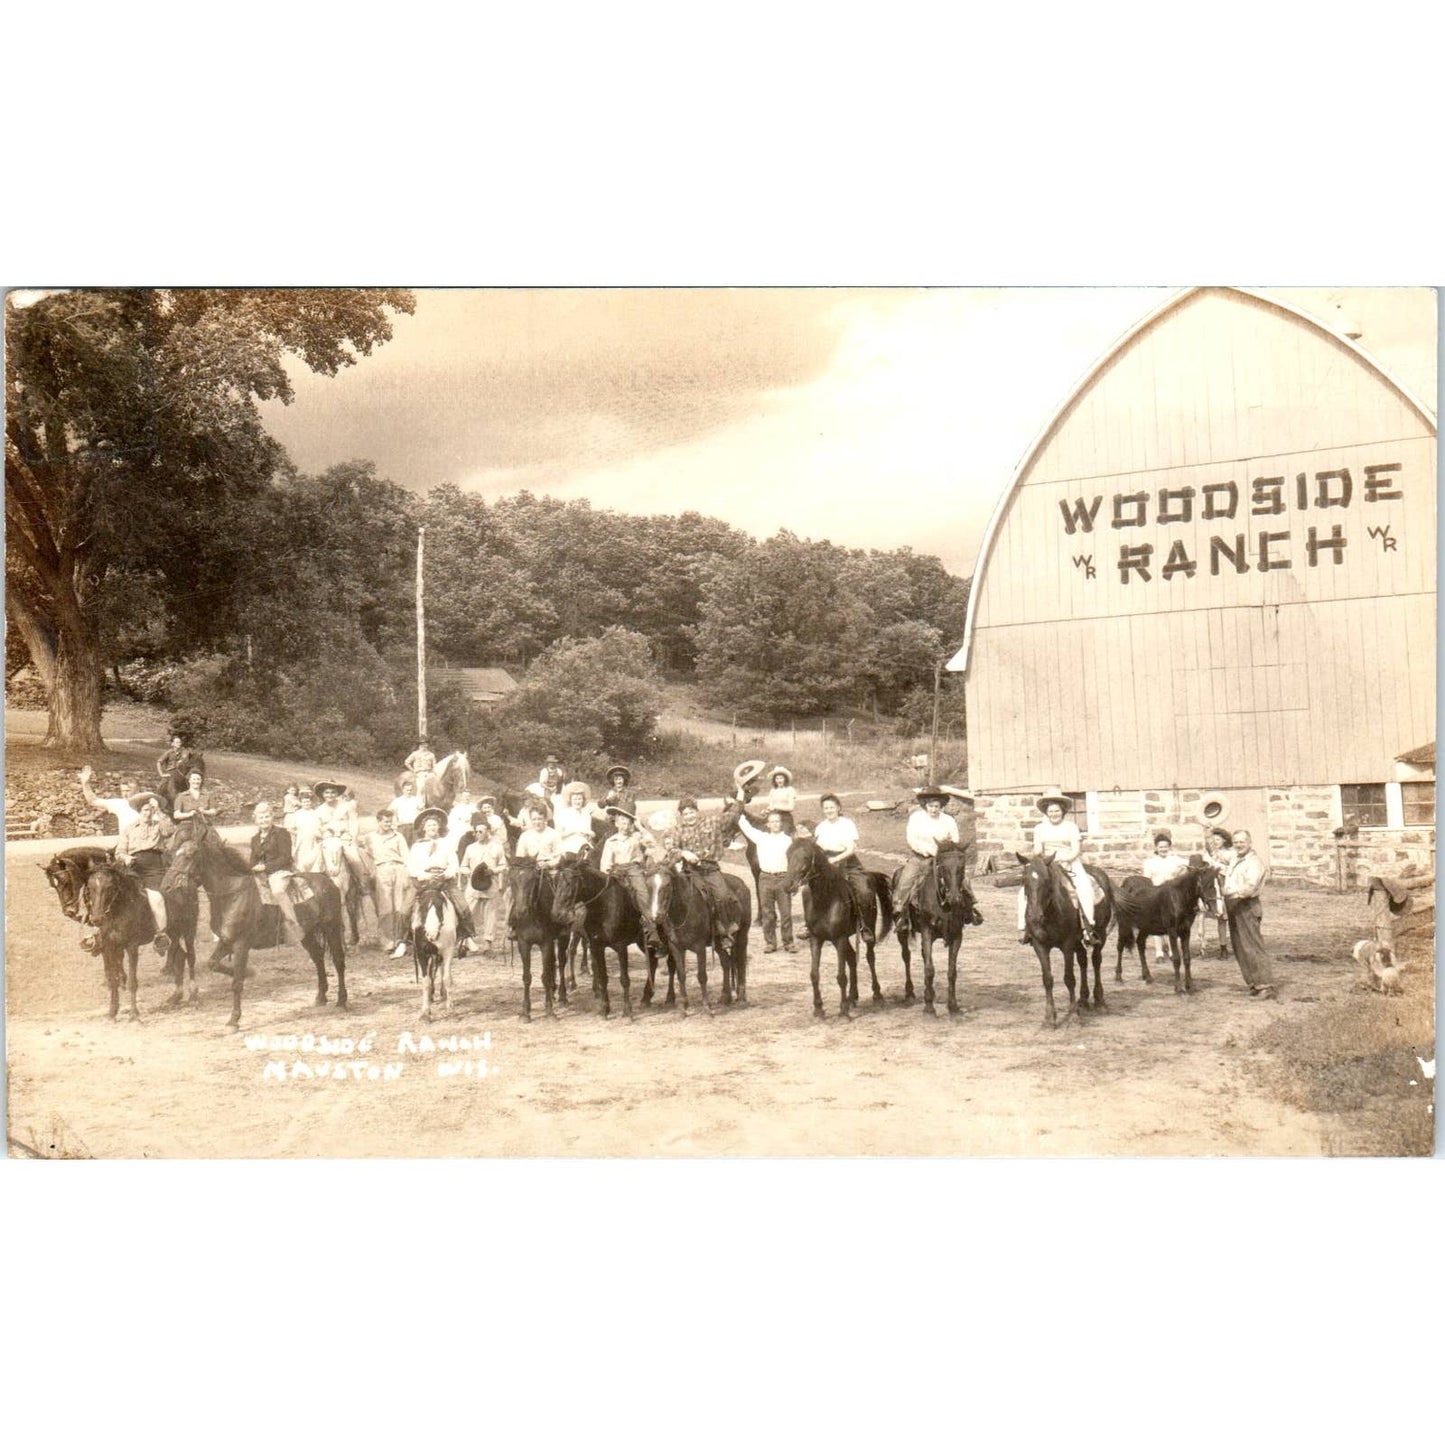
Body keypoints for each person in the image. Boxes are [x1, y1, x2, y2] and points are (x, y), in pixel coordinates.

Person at [1017, 793, 1097, 946]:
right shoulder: (1039, 828)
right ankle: (1026, 927)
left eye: (1057, 811)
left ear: (1063, 811)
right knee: (1025, 891)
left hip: (1069, 861)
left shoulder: (1071, 827)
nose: (1054, 814)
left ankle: (1088, 927)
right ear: (1046, 813)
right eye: (1051, 811)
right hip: (1047, 863)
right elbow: (1038, 849)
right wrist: (1036, 860)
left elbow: (1075, 850)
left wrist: (1065, 859)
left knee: (1084, 888)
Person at [660, 797, 743, 941]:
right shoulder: (677, 830)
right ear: (681, 816)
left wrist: (740, 798)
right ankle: (672, 933)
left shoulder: (712, 822)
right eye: (685, 814)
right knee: (673, 896)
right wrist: (684, 853)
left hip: (710, 870)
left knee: (722, 896)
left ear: (697, 811)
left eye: (691, 812)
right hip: (689, 872)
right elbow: (671, 849)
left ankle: (724, 930)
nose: (689, 816)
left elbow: (732, 817)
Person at [732, 789, 796, 953]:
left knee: (786, 913)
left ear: (781, 824)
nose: (775, 824)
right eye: (772, 821)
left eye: (777, 821)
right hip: (765, 878)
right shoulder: (760, 837)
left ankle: (788, 942)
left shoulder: (788, 840)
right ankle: (770, 943)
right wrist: (740, 796)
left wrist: (792, 881)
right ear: (767, 824)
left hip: (782, 878)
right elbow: (741, 819)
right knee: (768, 913)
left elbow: (794, 862)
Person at [1219, 829, 1278, 999]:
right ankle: (1254, 983)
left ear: (1250, 843)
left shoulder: (1254, 863)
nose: (1238, 845)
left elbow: (1250, 888)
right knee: (1240, 947)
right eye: (1236, 842)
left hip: (1247, 905)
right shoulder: (1235, 859)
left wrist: (1228, 892)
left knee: (1252, 946)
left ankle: (1265, 986)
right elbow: (1217, 855)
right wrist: (1208, 832)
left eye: (1242, 842)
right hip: (1234, 906)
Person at [406, 807, 475, 947]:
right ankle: (403, 940)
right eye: (429, 825)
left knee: (462, 905)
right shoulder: (417, 846)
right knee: (405, 908)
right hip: (423, 880)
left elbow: (453, 863)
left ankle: (466, 936)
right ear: (423, 828)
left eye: (434, 824)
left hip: (444, 880)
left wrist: (446, 874)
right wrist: (424, 875)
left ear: (439, 827)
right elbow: (411, 866)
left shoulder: (446, 843)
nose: (432, 827)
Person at [597, 806, 663, 950]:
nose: (625, 827)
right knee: (608, 894)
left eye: (628, 824)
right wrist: (607, 873)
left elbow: (652, 843)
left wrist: (640, 827)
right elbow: (605, 861)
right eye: (622, 823)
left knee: (642, 894)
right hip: (616, 870)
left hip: (633, 869)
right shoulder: (611, 841)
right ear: (616, 824)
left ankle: (652, 929)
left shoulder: (636, 838)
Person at [893, 787, 963, 923]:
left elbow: (955, 839)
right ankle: (900, 911)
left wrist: (946, 849)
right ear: (925, 805)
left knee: (960, 879)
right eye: (931, 806)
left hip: (944, 858)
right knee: (906, 880)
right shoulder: (916, 818)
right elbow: (912, 839)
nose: (934, 809)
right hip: (921, 857)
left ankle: (969, 909)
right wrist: (927, 850)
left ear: (941, 806)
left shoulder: (948, 820)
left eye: (937, 806)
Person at [115, 791, 172, 940]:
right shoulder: (129, 828)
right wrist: (126, 857)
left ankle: (161, 935)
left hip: (155, 868)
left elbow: (170, 831)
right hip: (133, 867)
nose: (148, 813)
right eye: (146, 810)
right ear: (139, 811)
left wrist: (159, 810)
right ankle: (103, 931)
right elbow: (119, 852)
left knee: (157, 898)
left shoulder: (159, 825)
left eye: (151, 810)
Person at [250, 802, 306, 943]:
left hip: (280, 871)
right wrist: (253, 868)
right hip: (261, 874)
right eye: (261, 817)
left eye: (267, 816)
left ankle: (293, 925)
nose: (264, 820)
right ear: (256, 820)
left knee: (277, 891)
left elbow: (285, 857)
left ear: (272, 817)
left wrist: (265, 867)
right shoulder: (255, 839)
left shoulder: (282, 833)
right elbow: (252, 860)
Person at [509, 801, 564, 939]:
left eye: (540, 819)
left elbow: (560, 856)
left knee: (561, 890)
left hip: (549, 871)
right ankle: (513, 924)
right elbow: (520, 857)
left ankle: (561, 924)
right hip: (529, 871)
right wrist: (526, 866)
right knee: (513, 892)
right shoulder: (525, 836)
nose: (537, 822)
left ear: (545, 819)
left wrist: (549, 864)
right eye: (534, 819)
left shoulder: (553, 834)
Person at [365, 807, 413, 960]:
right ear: (379, 821)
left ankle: (400, 940)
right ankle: (387, 942)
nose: (388, 824)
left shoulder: (398, 836)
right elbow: (368, 856)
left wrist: (406, 873)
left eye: (390, 822)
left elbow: (406, 856)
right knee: (385, 907)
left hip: (398, 868)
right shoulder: (370, 837)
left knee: (399, 906)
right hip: (382, 869)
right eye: (385, 822)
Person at [460, 814, 509, 955]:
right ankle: (465, 942)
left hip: (490, 885)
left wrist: (493, 871)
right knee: (467, 914)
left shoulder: (497, 847)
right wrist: (469, 872)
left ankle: (488, 944)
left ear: (488, 831)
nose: (478, 834)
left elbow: (503, 865)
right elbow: (463, 866)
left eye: (481, 831)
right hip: (473, 887)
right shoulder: (470, 848)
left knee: (491, 915)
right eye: (476, 831)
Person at [1140, 830, 1190, 966]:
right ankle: (1159, 952)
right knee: (1157, 922)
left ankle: (1173, 951)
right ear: (1156, 848)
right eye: (1160, 847)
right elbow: (1146, 880)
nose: (1163, 849)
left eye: (1165, 846)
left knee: (1173, 923)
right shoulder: (1150, 862)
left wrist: (1179, 872)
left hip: (1173, 896)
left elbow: (1189, 864)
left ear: (1169, 847)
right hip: (1156, 895)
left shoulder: (1175, 860)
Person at [77, 764, 141, 834]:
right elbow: (93, 801)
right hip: (126, 839)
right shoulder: (120, 804)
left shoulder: (147, 802)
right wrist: (85, 783)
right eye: (123, 791)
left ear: (137, 790)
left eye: (128, 791)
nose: (125, 794)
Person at [1200, 827, 1233, 957]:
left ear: (1224, 840)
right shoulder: (1210, 854)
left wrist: (1218, 866)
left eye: (1218, 840)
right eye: (1213, 840)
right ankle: (1222, 947)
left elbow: (1232, 870)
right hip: (1213, 887)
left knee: (1229, 917)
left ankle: (1234, 944)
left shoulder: (1230, 853)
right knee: (1220, 917)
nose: (1215, 842)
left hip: (1226, 884)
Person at [555, 781, 605, 858]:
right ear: (570, 800)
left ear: (583, 800)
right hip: (568, 845)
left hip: (584, 845)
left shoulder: (586, 815)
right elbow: (558, 835)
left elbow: (588, 834)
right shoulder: (564, 814)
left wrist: (590, 834)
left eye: (579, 799)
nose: (577, 802)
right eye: (575, 799)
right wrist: (574, 831)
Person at [156, 733, 204, 810]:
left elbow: (189, 756)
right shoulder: (169, 752)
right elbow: (159, 762)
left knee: (191, 781)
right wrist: (161, 774)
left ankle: (194, 801)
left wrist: (195, 755)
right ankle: (159, 801)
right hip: (171, 772)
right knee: (163, 786)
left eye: (180, 742)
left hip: (181, 772)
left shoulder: (183, 752)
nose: (179, 743)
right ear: (172, 744)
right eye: (177, 742)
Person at [285, 785, 325, 872]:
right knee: (302, 860)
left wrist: (318, 835)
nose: (306, 804)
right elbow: (289, 828)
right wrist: (299, 833)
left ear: (311, 802)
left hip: (314, 840)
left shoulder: (315, 813)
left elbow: (320, 827)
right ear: (301, 803)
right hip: (302, 840)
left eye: (308, 802)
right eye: (304, 802)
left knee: (314, 859)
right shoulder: (297, 814)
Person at [764, 767, 798, 832]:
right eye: (777, 778)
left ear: (785, 779)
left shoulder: (790, 790)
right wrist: (766, 811)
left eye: (781, 778)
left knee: (785, 834)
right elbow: (771, 806)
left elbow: (791, 808)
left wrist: (775, 807)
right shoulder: (773, 791)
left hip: (785, 817)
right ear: (774, 780)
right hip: (773, 817)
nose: (779, 780)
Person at [390, 776, 420, 844]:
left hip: (414, 827)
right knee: (402, 845)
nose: (409, 792)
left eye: (410, 790)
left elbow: (421, 811)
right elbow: (390, 812)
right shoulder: (397, 801)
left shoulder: (416, 800)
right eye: (407, 790)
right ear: (403, 790)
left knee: (414, 845)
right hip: (402, 827)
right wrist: (395, 822)